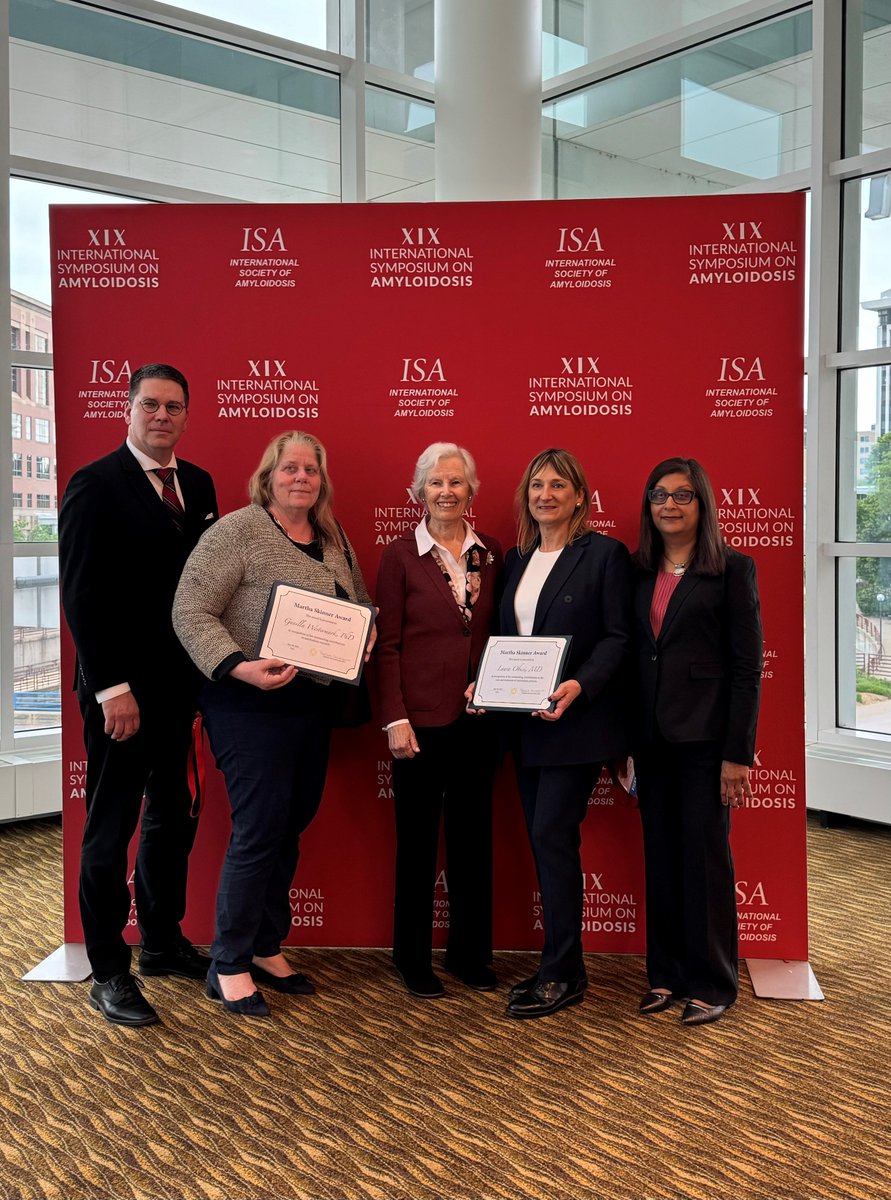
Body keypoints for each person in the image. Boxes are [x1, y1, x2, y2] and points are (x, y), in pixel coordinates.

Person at [172, 431, 374, 1018]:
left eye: (312, 470)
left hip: (310, 706)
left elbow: (357, 601)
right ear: (269, 476)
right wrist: (239, 666)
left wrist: (364, 638)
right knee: (260, 828)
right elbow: (190, 608)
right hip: (247, 704)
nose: (301, 478)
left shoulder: (332, 534)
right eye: (290, 469)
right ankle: (227, 964)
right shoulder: (236, 531)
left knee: (290, 826)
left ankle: (264, 944)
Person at [58, 362, 219, 1027]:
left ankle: (160, 939)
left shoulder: (200, 484)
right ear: (127, 410)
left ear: (185, 414)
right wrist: (111, 688)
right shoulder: (94, 485)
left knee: (172, 817)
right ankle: (108, 971)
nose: (161, 416)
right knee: (110, 828)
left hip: (182, 691)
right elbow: (82, 598)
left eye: (173, 407)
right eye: (149, 405)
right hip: (120, 696)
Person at [475, 448, 631, 1020]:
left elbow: (618, 638)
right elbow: (506, 641)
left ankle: (564, 970)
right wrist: (484, 686)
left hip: (575, 725)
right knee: (547, 842)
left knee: (552, 838)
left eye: (558, 485)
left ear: (579, 498)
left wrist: (579, 686)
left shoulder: (605, 555)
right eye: (536, 485)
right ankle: (562, 965)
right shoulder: (515, 560)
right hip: (523, 727)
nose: (546, 494)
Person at [631, 456, 762, 1027]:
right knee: (659, 858)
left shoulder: (733, 569)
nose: (670, 505)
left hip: (708, 743)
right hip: (651, 740)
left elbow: (746, 668)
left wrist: (738, 753)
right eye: (659, 495)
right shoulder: (637, 569)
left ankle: (713, 982)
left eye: (682, 495)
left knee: (705, 860)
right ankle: (666, 975)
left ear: (702, 503)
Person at [375, 443, 503, 999]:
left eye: (456, 482)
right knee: (418, 843)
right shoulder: (400, 555)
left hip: (480, 719)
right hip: (419, 723)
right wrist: (394, 718)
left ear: (471, 491)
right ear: (417, 493)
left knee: (474, 840)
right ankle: (412, 958)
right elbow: (388, 647)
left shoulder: (491, 553)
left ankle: (470, 954)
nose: (446, 491)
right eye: (435, 483)